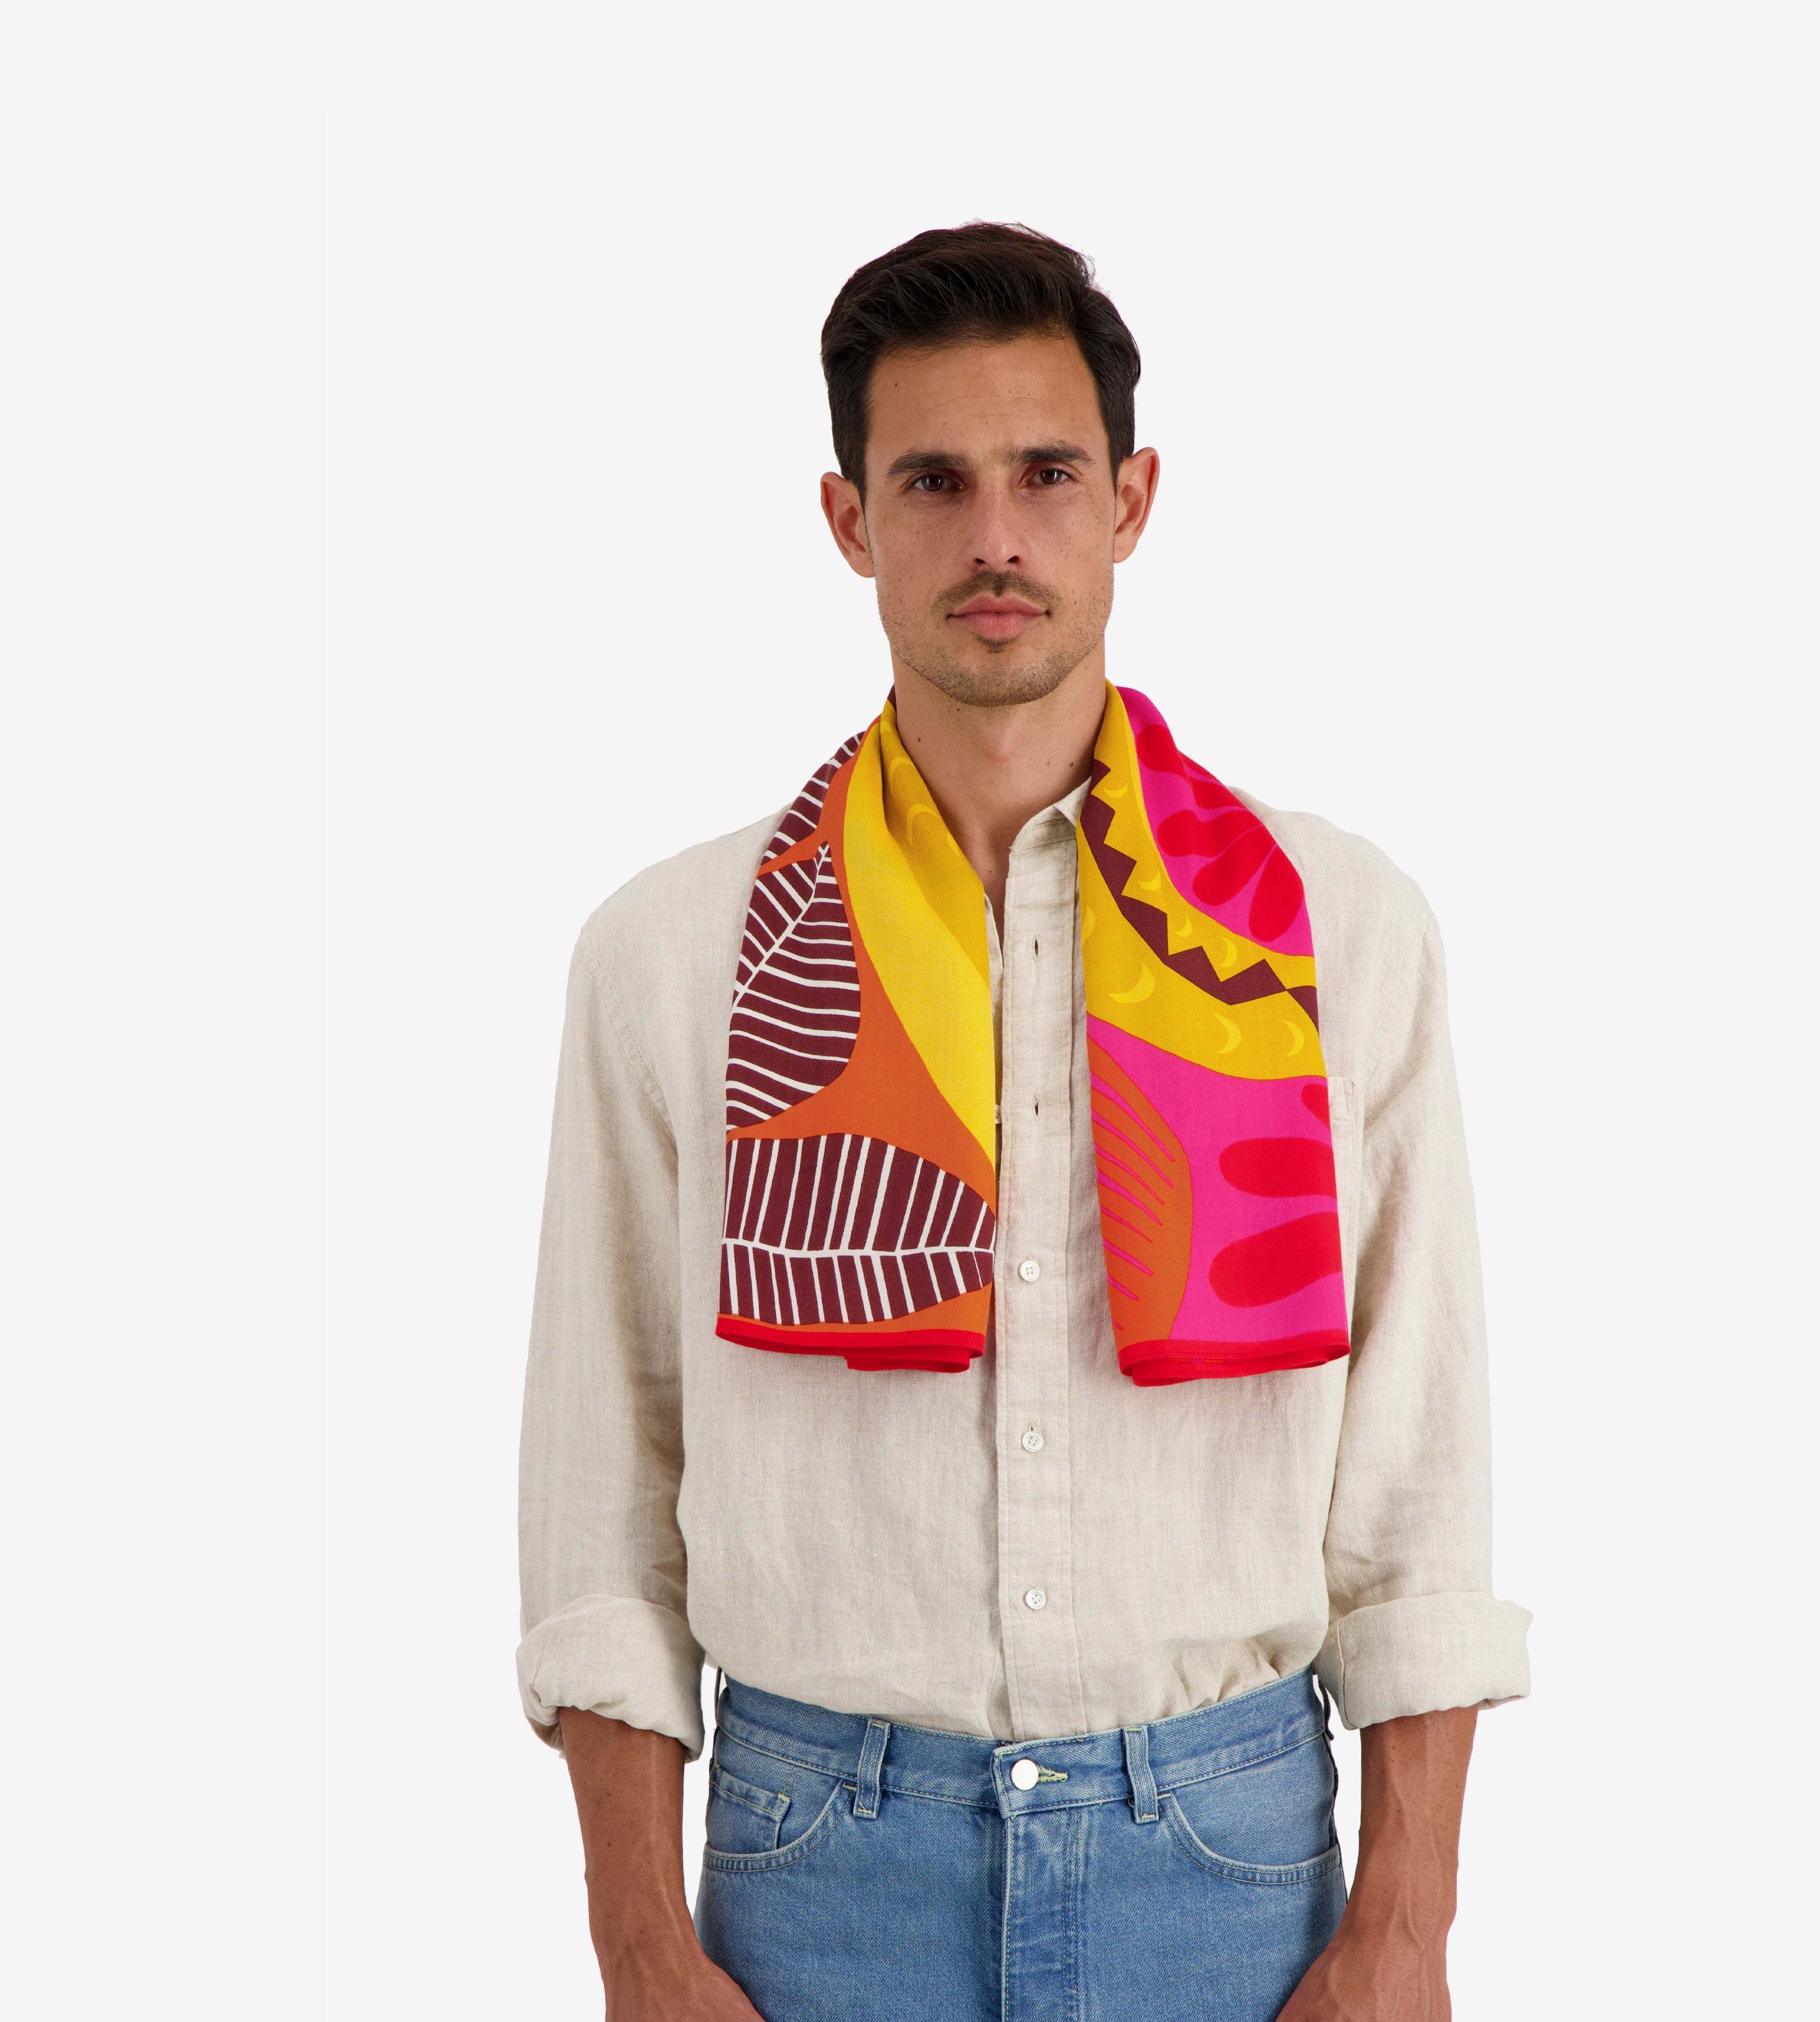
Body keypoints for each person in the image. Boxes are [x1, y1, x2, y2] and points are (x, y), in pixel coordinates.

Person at [517, 222, 1531, 2022]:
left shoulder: (1337, 929)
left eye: (1048, 474)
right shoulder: (676, 953)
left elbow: (1418, 1474)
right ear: (850, 521)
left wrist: (1407, 1931)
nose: (996, 535)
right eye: (935, 481)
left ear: (1130, 502)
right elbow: (606, 1487)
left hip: (1227, 1868)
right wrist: (638, 1948)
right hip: (818, 1873)